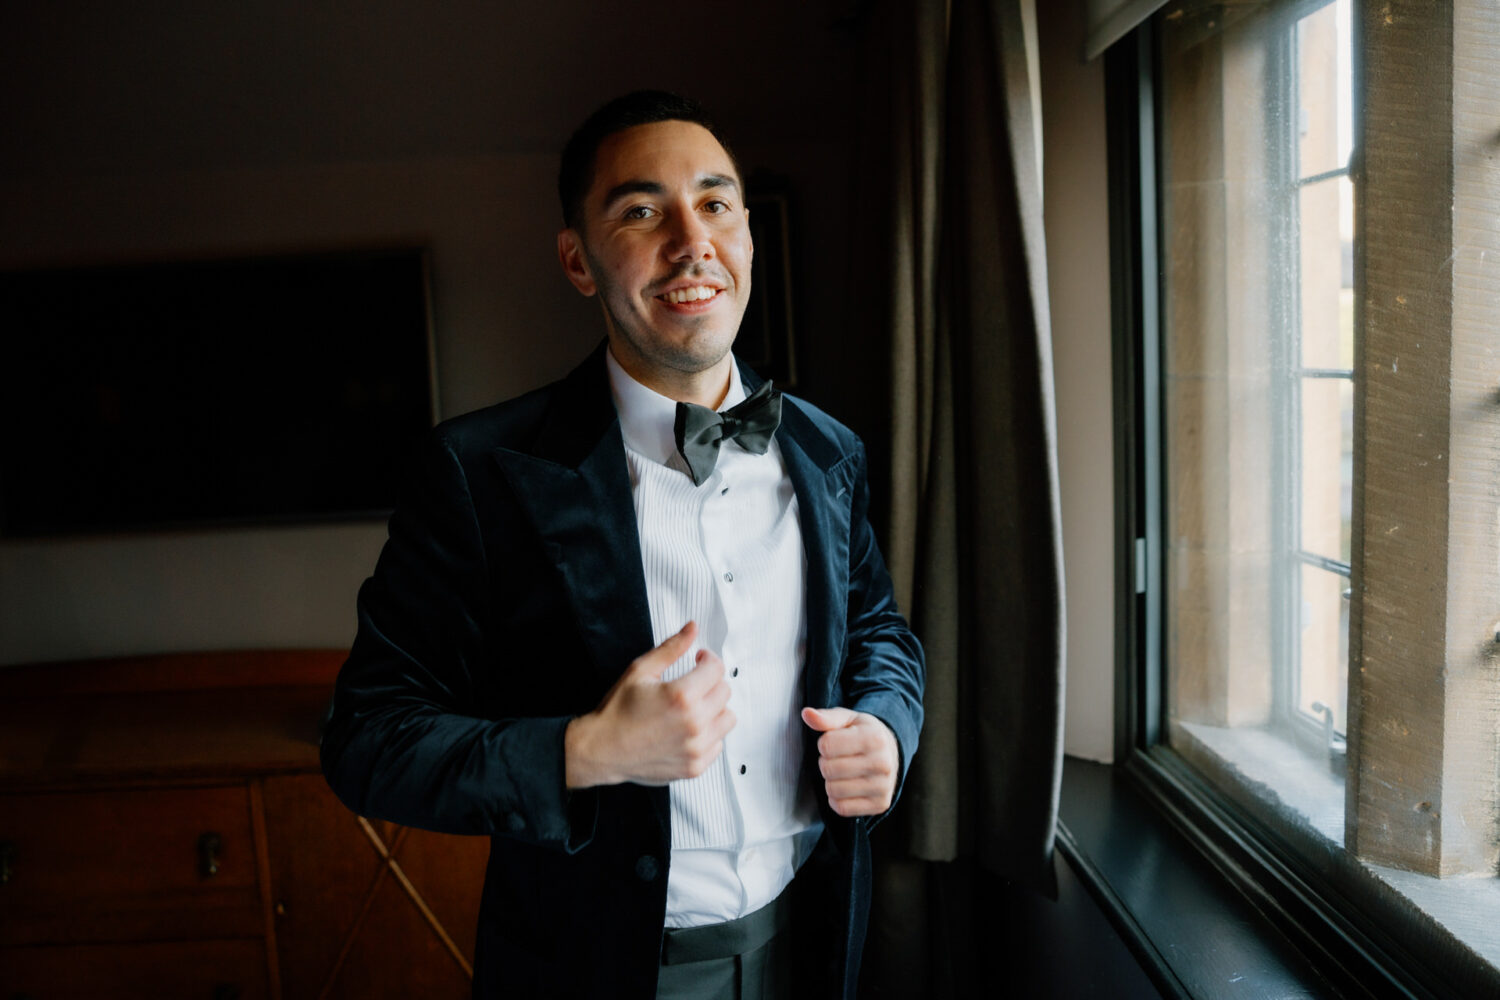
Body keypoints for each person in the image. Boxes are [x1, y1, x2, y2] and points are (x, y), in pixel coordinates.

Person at [320, 90, 924, 1000]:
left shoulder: (827, 450)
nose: (692, 241)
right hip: (598, 969)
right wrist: (586, 751)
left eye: (715, 203)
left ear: (747, 236)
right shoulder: (478, 473)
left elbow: (881, 631)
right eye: (642, 211)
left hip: (815, 940)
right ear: (578, 260)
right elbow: (368, 743)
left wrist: (887, 722)